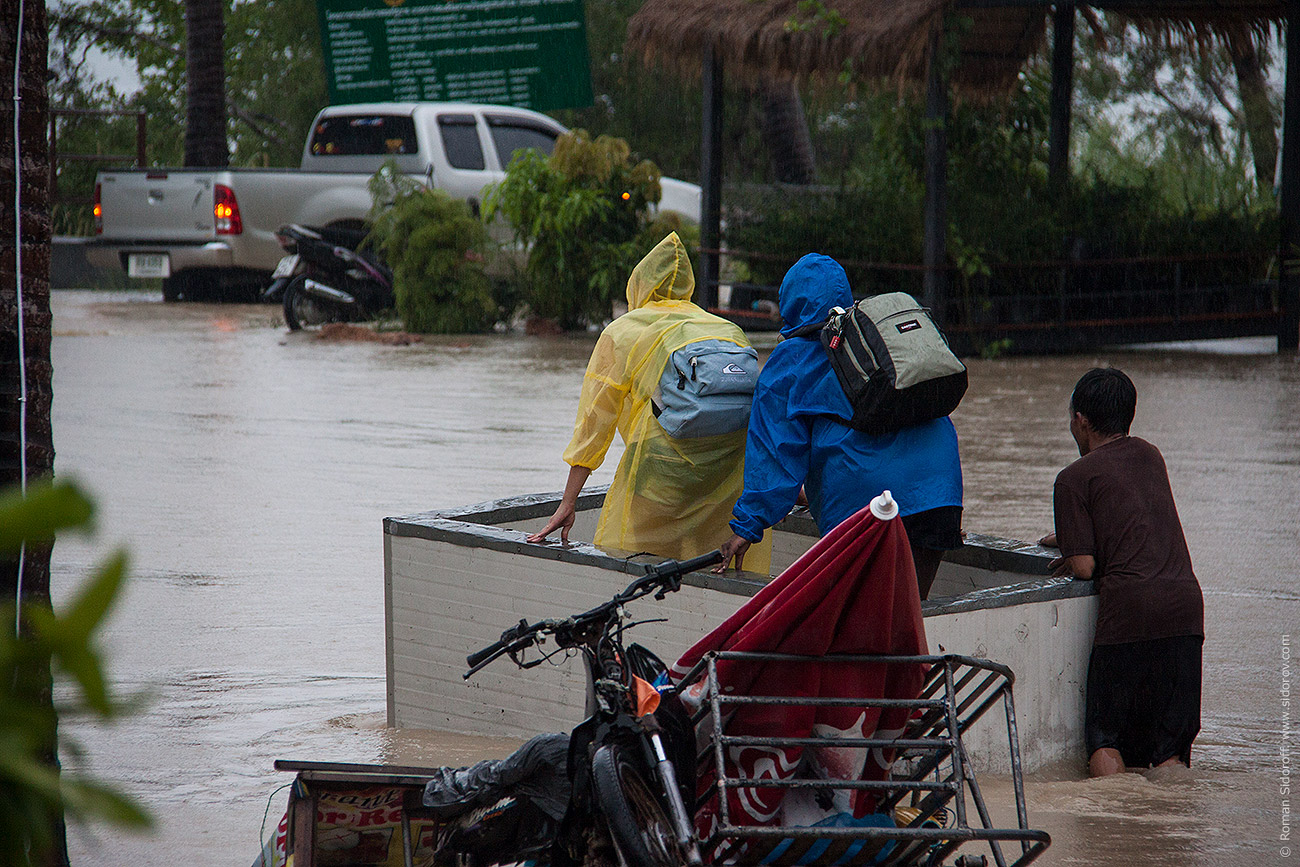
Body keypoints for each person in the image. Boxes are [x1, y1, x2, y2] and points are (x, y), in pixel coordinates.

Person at [715, 253, 963, 599]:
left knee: (861, 620)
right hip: (940, 495)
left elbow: (775, 453)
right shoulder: (880, 346)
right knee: (911, 611)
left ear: (789, 302)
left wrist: (748, 525)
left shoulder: (789, 363)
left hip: (864, 507)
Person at [529, 232, 771, 573]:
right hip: (725, 484)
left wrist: (569, 502)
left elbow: (594, 424)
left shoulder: (626, 330)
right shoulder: (729, 330)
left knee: (641, 573)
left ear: (638, 286)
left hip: (658, 477)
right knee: (710, 570)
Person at [1040, 367, 1204, 778]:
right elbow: (1132, 521)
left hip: (1130, 614)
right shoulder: (1150, 455)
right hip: (1186, 611)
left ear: (1080, 420)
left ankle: (1111, 835)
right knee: (1170, 751)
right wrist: (1069, 535)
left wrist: (1072, 544)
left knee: (1106, 739)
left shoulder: (1073, 478)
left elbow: (1084, 567)